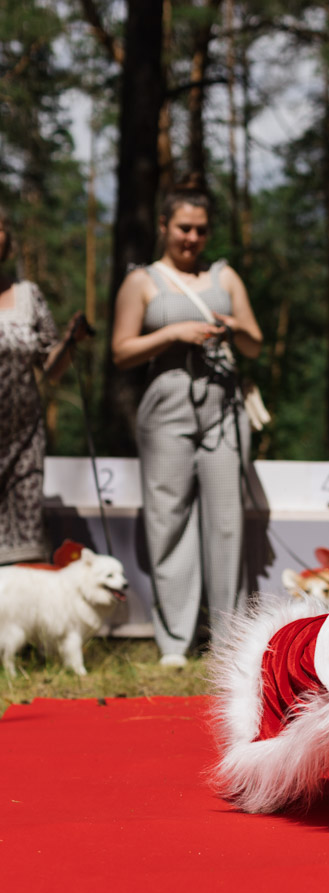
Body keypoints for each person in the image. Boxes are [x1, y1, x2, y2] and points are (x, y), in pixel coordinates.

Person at [111, 178, 263, 667]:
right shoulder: (142, 280)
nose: (191, 238)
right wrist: (173, 332)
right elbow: (121, 351)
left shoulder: (226, 277)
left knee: (226, 524)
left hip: (222, 409)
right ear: (163, 226)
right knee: (168, 521)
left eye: (200, 230)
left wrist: (232, 326)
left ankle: (229, 642)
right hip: (167, 407)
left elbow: (255, 343)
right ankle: (175, 641)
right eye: (182, 228)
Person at [0, 206, 92, 565]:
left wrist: (69, 342)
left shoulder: (27, 295)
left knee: (21, 555)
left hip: (22, 441)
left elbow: (51, 369)